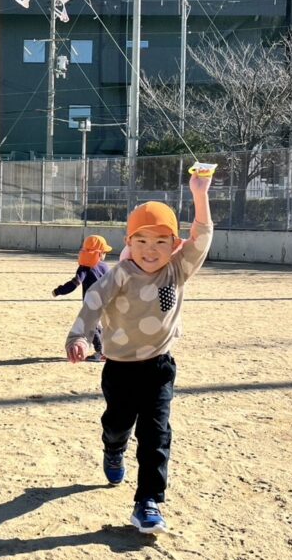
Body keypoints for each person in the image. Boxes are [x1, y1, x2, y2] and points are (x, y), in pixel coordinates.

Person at [65, 170, 213, 534]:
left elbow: (204, 235)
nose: (151, 249)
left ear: (174, 244)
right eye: (142, 240)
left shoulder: (178, 271)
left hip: (159, 367)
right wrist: (80, 338)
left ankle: (147, 501)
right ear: (130, 241)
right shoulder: (119, 275)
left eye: (161, 241)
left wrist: (199, 194)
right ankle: (113, 449)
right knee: (117, 425)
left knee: (156, 433)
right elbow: (93, 303)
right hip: (119, 368)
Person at [52, 235, 113, 362]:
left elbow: (74, 284)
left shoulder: (84, 268)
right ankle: (107, 350)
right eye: (104, 253)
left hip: (91, 304)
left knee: (93, 326)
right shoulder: (105, 267)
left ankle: (100, 352)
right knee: (102, 327)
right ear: (99, 254)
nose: (105, 255)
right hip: (107, 301)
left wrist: (59, 291)